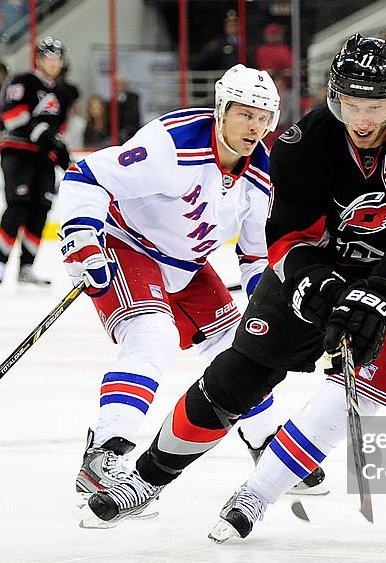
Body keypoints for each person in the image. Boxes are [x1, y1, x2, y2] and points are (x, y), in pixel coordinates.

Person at [80, 37, 386, 557]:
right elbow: (288, 235)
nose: (362, 119)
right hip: (331, 260)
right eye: (350, 104)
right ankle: (147, 478)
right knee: (241, 371)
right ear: (333, 96)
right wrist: (309, 283)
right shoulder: (303, 141)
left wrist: (380, 298)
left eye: (376, 106)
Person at [56, 64, 325, 518]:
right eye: (244, 114)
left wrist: (270, 307)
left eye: (263, 117)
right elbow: (88, 176)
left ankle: (266, 444)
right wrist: (82, 238)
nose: (254, 126)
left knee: (245, 348)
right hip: (127, 246)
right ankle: (106, 456)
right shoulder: (171, 144)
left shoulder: (263, 176)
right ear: (221, 109)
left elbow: (257, 256)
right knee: (153, 337)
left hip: (188, 267)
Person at [0, 36, 77, 286]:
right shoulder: (22, 82)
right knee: (17, 206)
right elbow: (12, 117)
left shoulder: (61, 93)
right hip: (18, 153)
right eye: (48, 57)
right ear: (38, 60)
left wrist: (63, 155)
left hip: (43, 159)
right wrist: (45, 134)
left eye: (57, 58)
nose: (53, 63)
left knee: (40, 211)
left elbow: (57, 131)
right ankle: (0, 263)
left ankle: (27, 267)